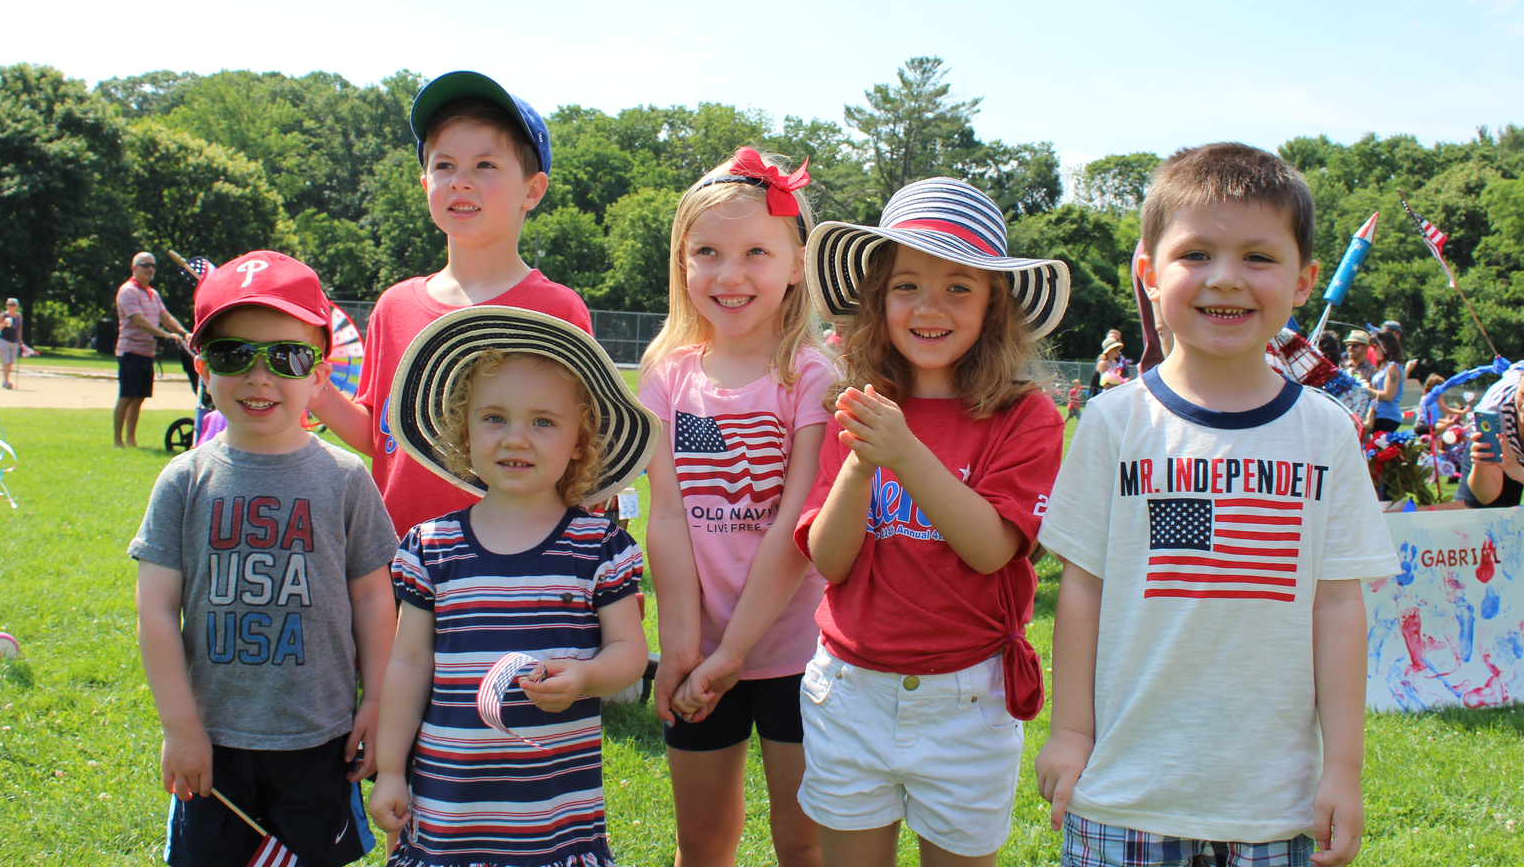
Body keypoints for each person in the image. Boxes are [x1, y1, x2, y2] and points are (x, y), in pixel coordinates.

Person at [1035, 143, 1398, 867]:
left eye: (1258, 258)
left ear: (1304, 281)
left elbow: (1337, 606)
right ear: (1148, 272)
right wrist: (1072, 731)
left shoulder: (1327, 431)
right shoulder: (1115, 422)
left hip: (1274, 805)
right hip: (1125, 796)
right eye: (1196, 254)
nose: (1225, 279)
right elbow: (1083, 587)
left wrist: (1344, 771)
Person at [794, 177, 1072, 866]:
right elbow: (829, 563)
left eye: (958, 287)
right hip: (850, 691)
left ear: (993, 306)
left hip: (966, 700)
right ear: (878, 299)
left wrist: (905, 453)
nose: (929, 306)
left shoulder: (1024, 416)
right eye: (907, 284)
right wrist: (861, 466)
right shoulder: (853, 403)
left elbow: (992, 550)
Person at [129, 250, 399, 866]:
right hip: (214, 741)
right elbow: (155, 611)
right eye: (232, 355)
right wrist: (180, 726)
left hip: (320, 740)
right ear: (202, 366)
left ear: (320, 372)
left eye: (286, 356)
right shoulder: (184, 479)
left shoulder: (346, 479)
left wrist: (377, 701)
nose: (259, 377)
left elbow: (372, 598)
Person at [367, 307, 656, 866]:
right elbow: (407, 665)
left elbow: (630, 652)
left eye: (543, 422)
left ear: (579, 440)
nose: (515, 438)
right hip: (447, 810)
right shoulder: (431, 547)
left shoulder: (599, 549)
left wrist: (588, 676)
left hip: (553, 818)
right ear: (464, 431)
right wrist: (392, 770)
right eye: (494, 418)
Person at [638, 149, 830, 867]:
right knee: (703, 841)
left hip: (795, 655)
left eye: (756, 252)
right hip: (700, 650)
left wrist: (734, 653)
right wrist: (686, 649)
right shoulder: (666, 375)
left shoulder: (813, 375)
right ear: (682, 263)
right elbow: (667, 518)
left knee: (802, 839)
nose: (730, 274)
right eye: (708, 253)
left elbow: (796, 526)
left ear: (796, 264)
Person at [307, 71, 593, 537]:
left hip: (514, 565)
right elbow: (379, 438)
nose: (460, 181)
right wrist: (315, 390)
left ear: (532, 190)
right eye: (444, 166)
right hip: (399, 557)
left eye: (485, 165)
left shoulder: (557, 310)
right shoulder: (394, 306)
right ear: (425, 185)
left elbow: (580, 452)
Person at [1460, 350, 1524, 631]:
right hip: (1502, 450)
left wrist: (1522, 474)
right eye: (1523, 395)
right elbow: (1486, 498)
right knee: (1488, 527)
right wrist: (1481, 463)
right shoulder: (1497, 409)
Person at [115, 251, 192, 447]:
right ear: (134, 268)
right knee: (126, 396)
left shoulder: (153, 294)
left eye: (152, 265)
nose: (150, 269)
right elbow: (139, 321)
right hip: (130, 351)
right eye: (145, 265)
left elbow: (166, 318)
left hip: (147, 353)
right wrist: (165, 335)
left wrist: (184, 333)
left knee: (139, 397)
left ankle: (131, 439)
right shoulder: (128, 291)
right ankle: (118, 440)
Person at [1367, 327, 1414, 434]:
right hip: (1379, 414)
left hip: (1387, 417)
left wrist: (1367, 390)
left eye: (1375, 346)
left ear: (1385, 346)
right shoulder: (1385, 367)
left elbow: (1388, 396)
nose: (1372, 350)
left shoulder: (1393, 367)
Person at [0, 298, 22, 389]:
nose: (10, 306)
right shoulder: (3, 315)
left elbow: (19, 328)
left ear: (16, 306)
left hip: (14, 342)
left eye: (12, 305)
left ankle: (6, 380)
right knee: (6, 362)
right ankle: (6, 381)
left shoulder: (18, 316)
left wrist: (19, 340)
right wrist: (3, 324)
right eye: (9, 304)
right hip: (3, 341)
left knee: (10, 363)